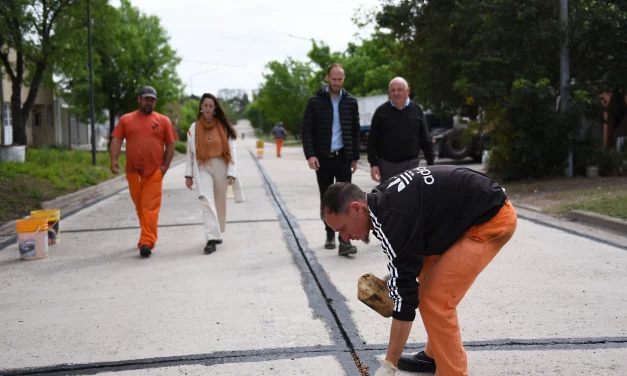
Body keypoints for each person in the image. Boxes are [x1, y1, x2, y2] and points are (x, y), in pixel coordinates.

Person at [320, 166, 517, 376]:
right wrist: (396, 281)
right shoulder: (379, 203)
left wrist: (389, 365)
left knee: (435, 298)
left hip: (490, 218)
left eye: (342, 228)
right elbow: (408, 257)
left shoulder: (392, 219)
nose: (345, 239)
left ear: (357, 208)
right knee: (424, 279)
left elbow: (406, 300)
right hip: (463, 215)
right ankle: (435, 354)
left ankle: (453, 372)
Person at [110, 86, 177, 258]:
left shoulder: (163, 121)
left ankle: (147, 241)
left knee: (150, 208)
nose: (149, 102)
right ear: (139, 99)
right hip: (133, 172)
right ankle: (146, 232)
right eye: (146, 98)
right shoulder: (126, 119)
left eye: (152, 99)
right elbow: (117, 140)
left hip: (154, 171)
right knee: (140, 207)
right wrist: (114, 160)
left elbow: (170, 145)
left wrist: (164, 168)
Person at [302, 63, 361, 256]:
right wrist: (310, 155)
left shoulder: (351, 102)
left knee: (346, 200)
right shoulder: (315, 102)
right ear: (327, 78)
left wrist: (354, 158)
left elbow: (354, 132)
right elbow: (307, 131)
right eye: (333, 79)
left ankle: (344, 241)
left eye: (340, 79)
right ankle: (329, 233)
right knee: (327, 199)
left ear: (343, 79)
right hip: (323, 159)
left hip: (343, 157)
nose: (337, 82)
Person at [184, 93, 244, 254]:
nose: (208, 109)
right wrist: (188, 175)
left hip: (221, 166)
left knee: (219, 202)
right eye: (205, 106)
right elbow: (190, 152)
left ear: (215, 108)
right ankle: (211, 238)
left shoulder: (224, 127)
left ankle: (217, 233)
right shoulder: (193, 128)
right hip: (202, 166)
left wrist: (232, 172)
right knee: (206, 199)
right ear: (201, 108)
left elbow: (232, 151)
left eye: (211, 106)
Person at [367, 77, 435, 183]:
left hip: (410, 163)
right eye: (392, 90)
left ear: (407, 91)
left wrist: (430, 163)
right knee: (389, 197)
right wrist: (373, 164)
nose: (396, 93)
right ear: (389, 92)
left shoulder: (417, 110)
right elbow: (372, 140)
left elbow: (425, 138)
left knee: (410, 196)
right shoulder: (381, 112)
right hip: (386, 165)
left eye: (399, 90)